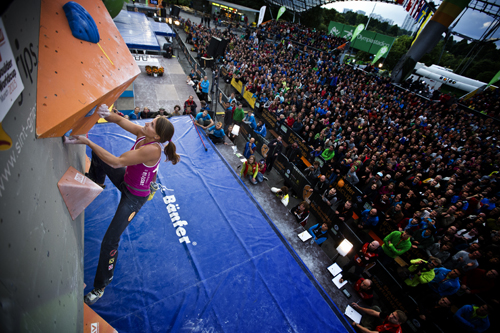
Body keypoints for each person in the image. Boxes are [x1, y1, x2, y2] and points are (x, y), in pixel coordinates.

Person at [65, 105, 180, 305]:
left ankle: (101, 286)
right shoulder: (145, 134)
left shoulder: (152, 150)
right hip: (126, 181)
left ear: (157, 138)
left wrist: (87, 142)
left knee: (110, 241)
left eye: (151, 124)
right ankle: (95, 182)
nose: (146, 123)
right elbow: (120, 120)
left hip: (134, 198)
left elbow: (117, 162)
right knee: (100, 159)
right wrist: (106, 114)